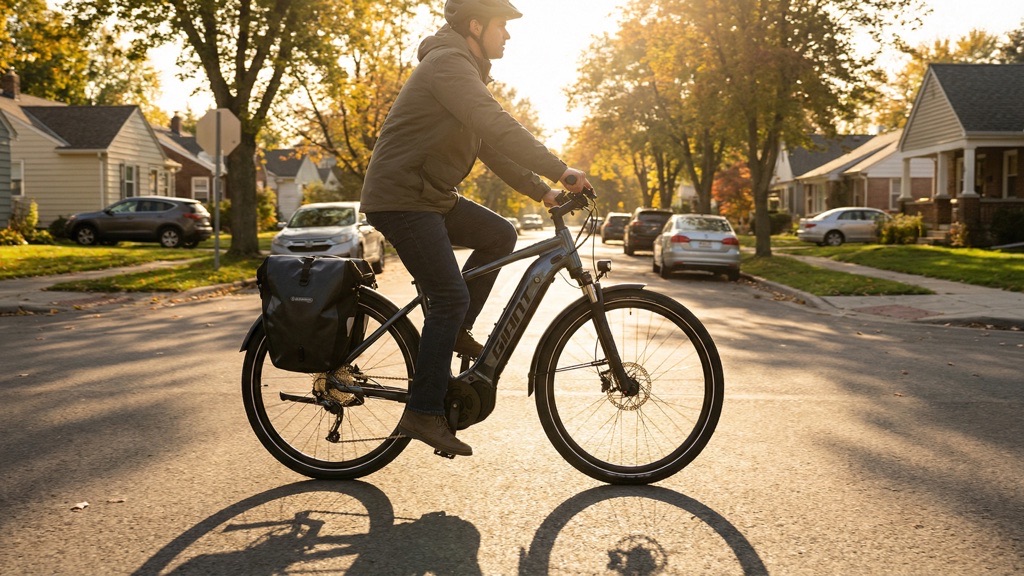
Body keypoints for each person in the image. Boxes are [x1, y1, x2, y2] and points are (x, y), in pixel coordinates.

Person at [360, 0, 593, 457]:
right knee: (449, 296)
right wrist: (560, 169)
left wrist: (542, 191)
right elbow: (496, 125)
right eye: (501, 26)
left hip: (429, 196)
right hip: (403, 198)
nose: (508, 35)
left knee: (499, 234)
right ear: (475, 25)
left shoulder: (462, 69)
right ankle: (423, 411)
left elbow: (489, 145)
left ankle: (453, 330)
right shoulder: (448, 64)